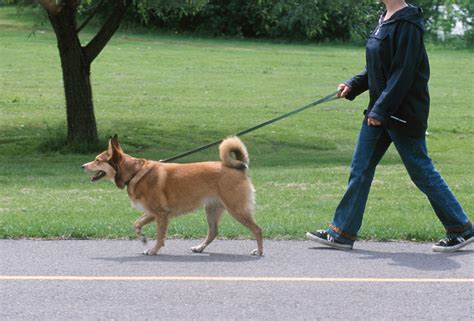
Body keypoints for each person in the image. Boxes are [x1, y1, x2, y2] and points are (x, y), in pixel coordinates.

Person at [306, 0, 473, 252]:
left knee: (421, 171)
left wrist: (381, 110)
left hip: (402, 112)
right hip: (380, 110)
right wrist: (353, 84)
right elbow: (378, 65)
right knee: (360, 169)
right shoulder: (386, 17)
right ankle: (341, 232)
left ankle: (461, 228)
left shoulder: (408, 22)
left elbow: (402, 71)